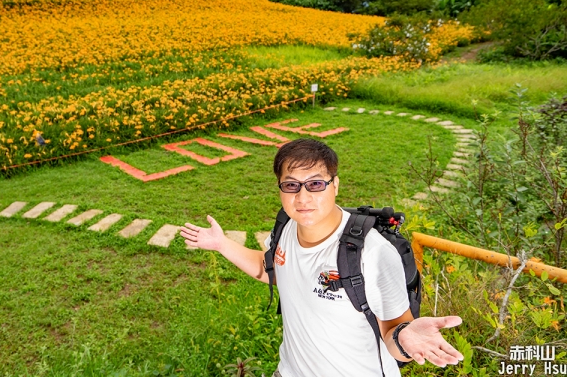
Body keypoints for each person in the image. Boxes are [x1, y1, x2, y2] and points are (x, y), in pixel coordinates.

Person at [180, 138, 464, 377]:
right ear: (280, 187)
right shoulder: (286, 227)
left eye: (315, 184)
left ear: (335, 184)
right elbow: (271, 269)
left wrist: (406, 337)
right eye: (291, 185)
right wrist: (221, 244)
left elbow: (392, 332)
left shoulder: (373, 253)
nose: (302, 198)